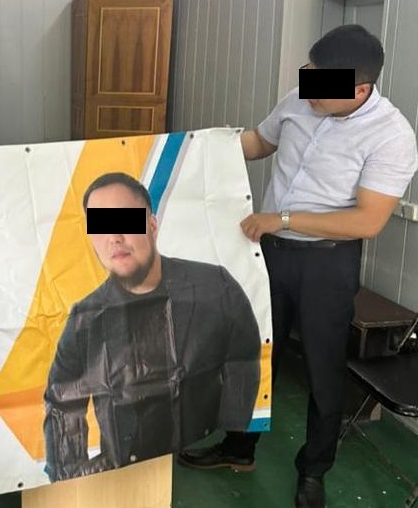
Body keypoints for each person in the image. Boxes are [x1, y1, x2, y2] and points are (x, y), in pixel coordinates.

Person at [179, 24, 418, 508]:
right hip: (269, 253)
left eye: (321, 87)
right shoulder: (301, 97)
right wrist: (196, 146)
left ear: (360, 90)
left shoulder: (392, 136)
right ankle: (238, 448)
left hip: (327, 263)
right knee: (252, 351)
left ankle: (313, 471)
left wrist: (282, 219)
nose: (309, 94)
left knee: (323, 371)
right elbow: (258, 143)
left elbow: (367, 221)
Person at [43, 172, 261, 482]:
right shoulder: (85, 318)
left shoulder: (215, 286)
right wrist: (69, 475)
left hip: (197, 434)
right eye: (100, 226)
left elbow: (243, 356)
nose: (114, 237)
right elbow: (63, 401)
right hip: (123, 464)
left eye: (125, 220)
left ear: (152, 226)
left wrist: (232, 422)